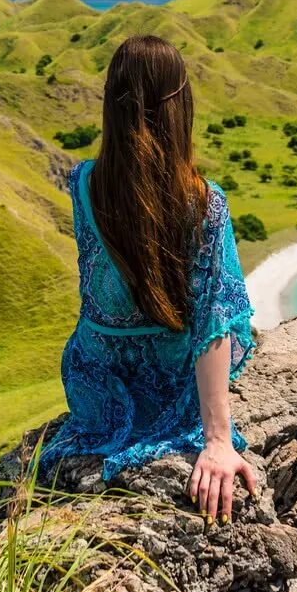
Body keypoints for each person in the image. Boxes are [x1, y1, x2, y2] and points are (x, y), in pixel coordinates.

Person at [42, 35, 259, 524]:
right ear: (180, 106)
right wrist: (218, 440)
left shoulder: (82, 183)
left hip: (93, 378)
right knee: (232, 316)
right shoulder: (205, 203)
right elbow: (214, 321)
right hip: (165, 381)